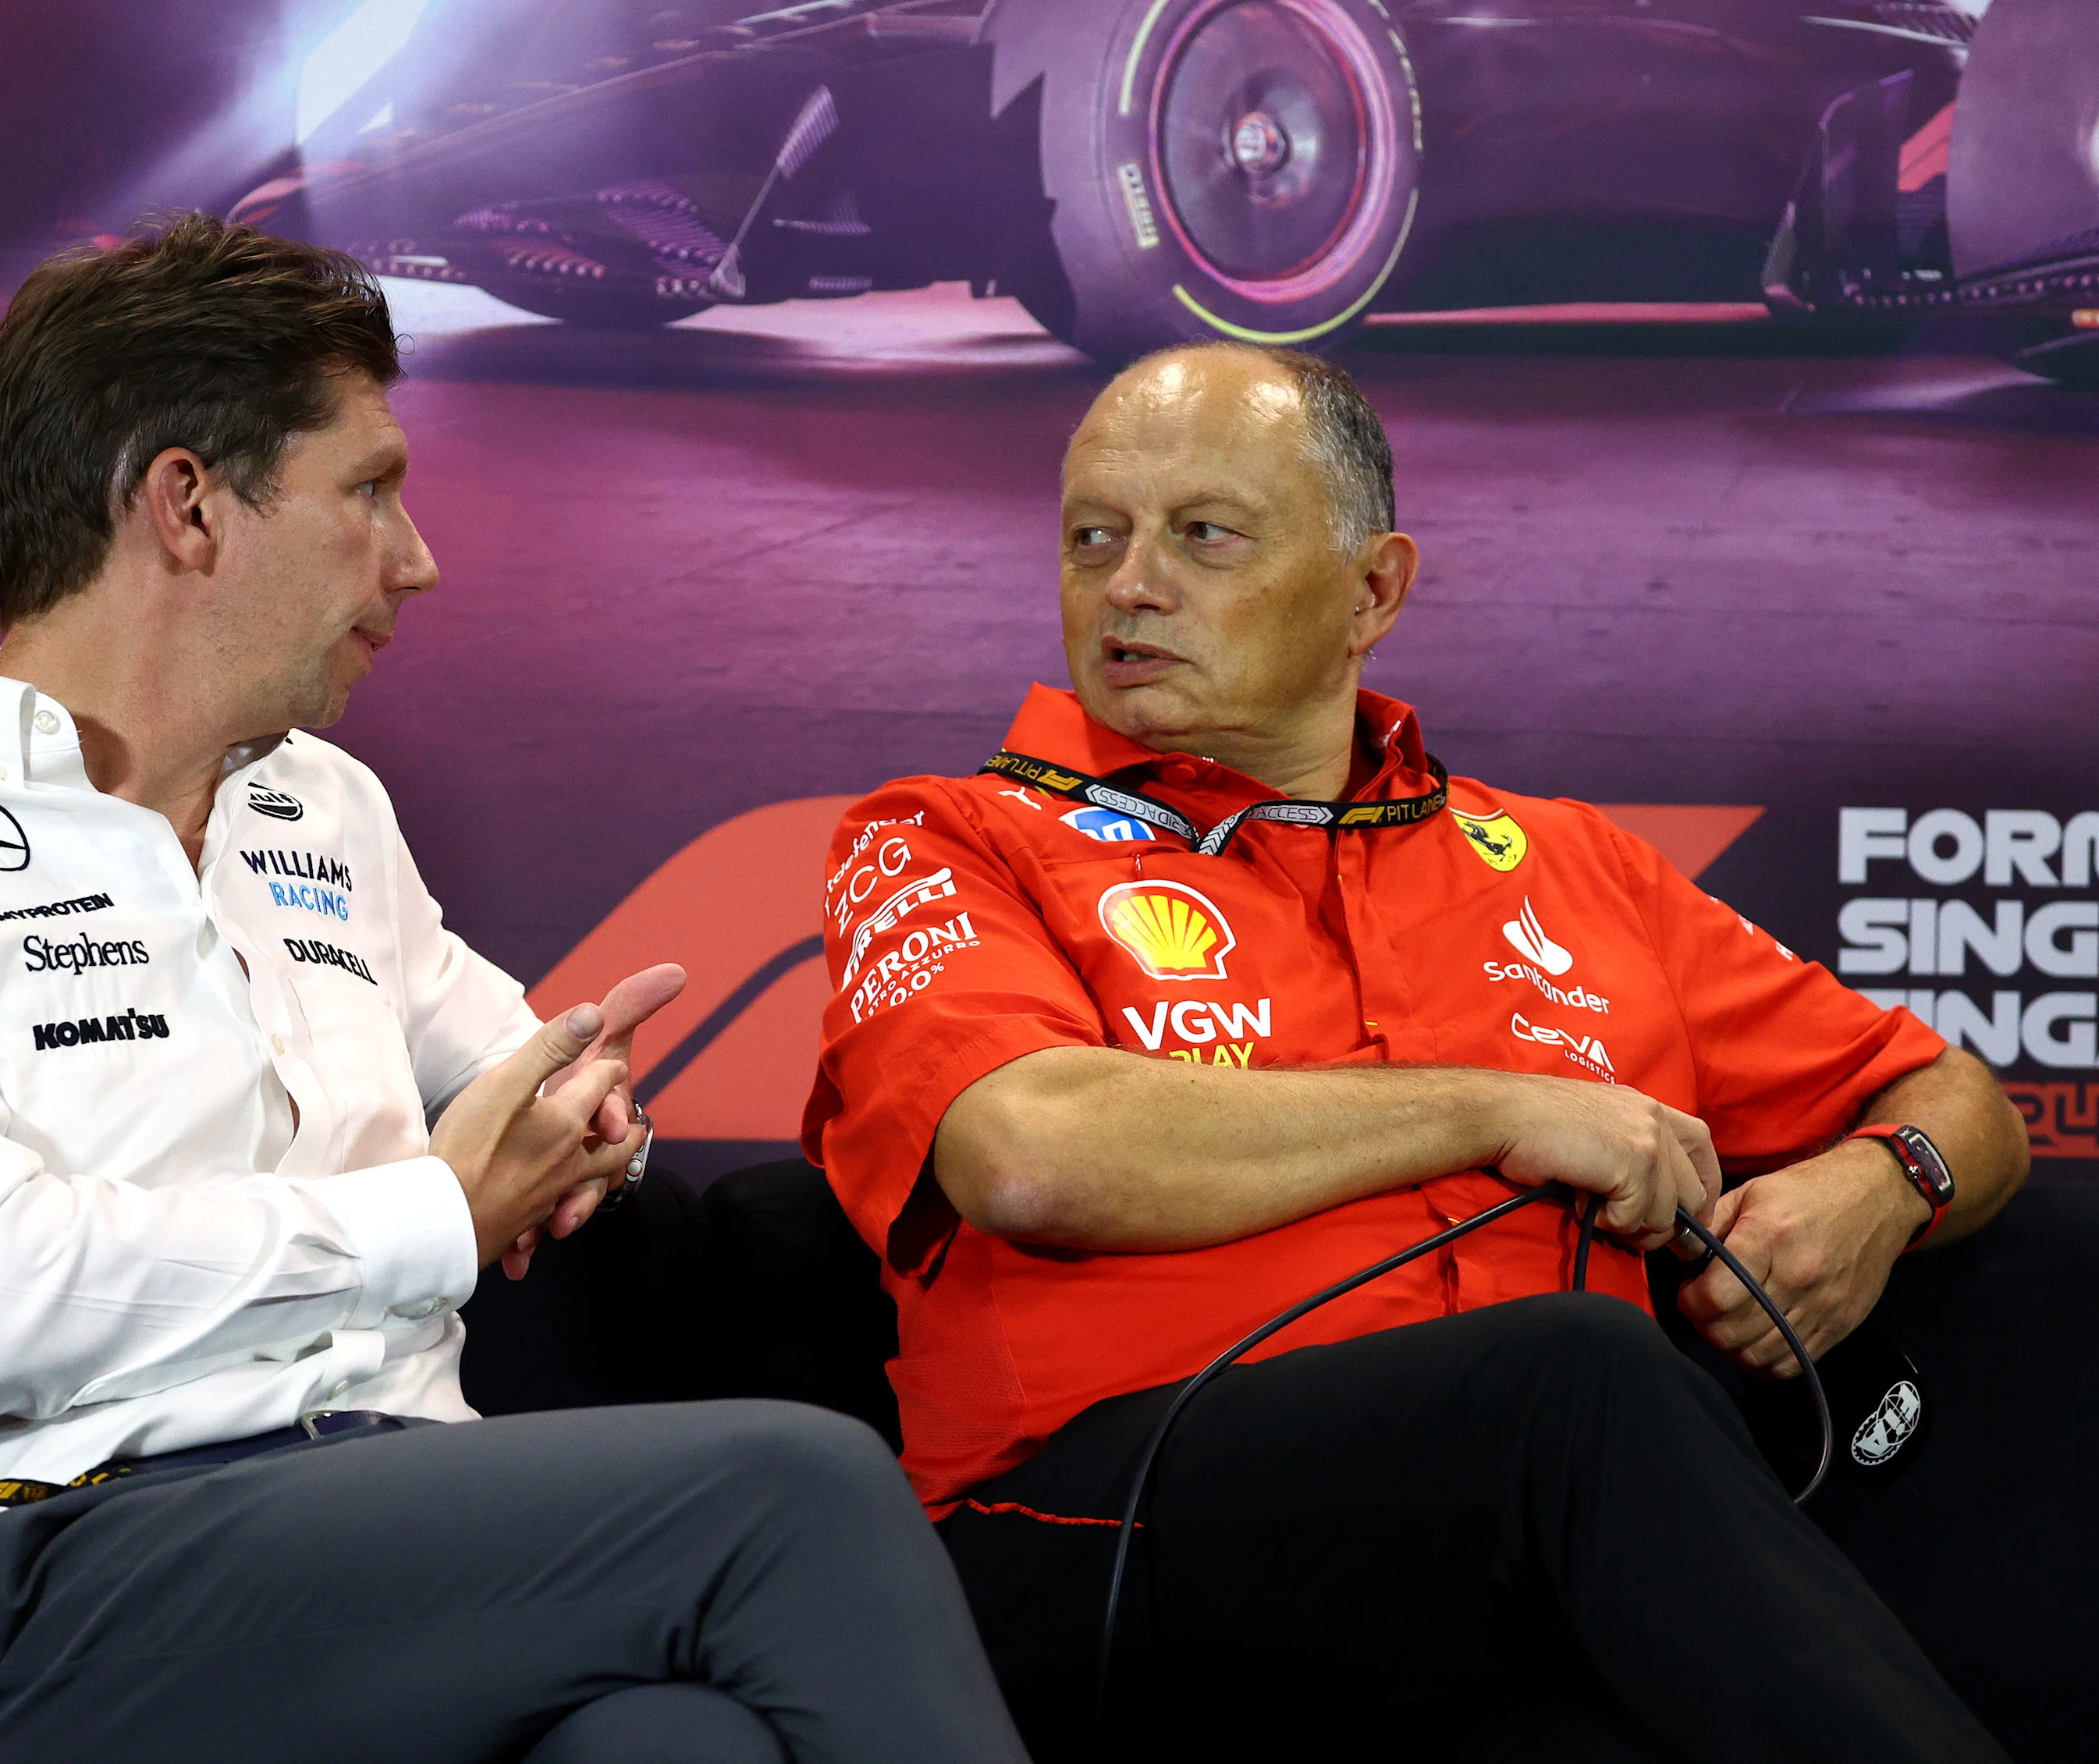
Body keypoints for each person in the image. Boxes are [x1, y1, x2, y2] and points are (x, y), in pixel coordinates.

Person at [0, 215, 1028, 1764]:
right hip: (50, 1600)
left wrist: (587, 1115)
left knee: (667, 1742)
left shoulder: (320, 805)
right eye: (369, 488)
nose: (418, 557)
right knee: (801, 1489)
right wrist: (436, 1214)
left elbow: (521, 1063)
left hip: (393, 1533)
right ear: (186, 506)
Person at [801, 343, 2030, 1762]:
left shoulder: (1573, 866)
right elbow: (1028, 1154)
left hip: (1496, 1551)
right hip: (1094, 1531)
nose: (1129, 586)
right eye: (1094, 538)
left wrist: (1882, 1190)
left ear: (1373, 590)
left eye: (1203, 534)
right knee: (1579, 1375)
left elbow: (1959, 1102)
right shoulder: (949, 838)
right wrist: (1498, 1110)